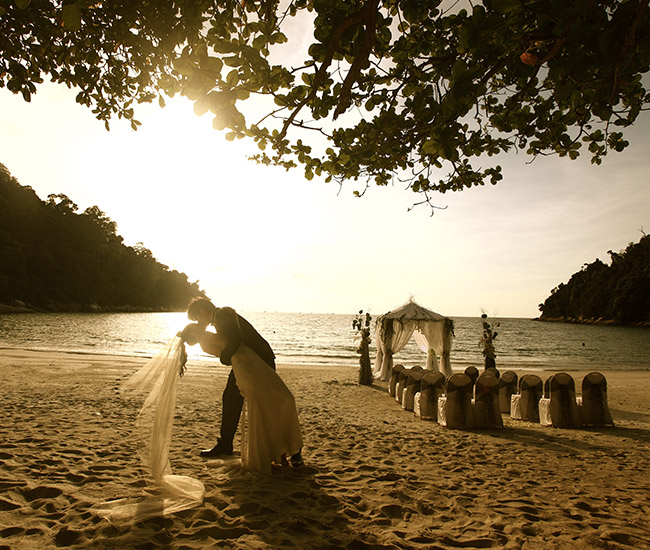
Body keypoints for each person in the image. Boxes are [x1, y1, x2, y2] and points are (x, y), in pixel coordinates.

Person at [186, 297, 303, 467]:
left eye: (198, 318)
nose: (200, 322)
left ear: (203, 311)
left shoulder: (221, 315)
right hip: (247, 363)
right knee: (233, 398)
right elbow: (231, 341)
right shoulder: (221, 316)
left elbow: (235, 340)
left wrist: (224, 358)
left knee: (272, 403)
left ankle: (293, 451)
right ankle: (225, 444)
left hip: (258, 362)